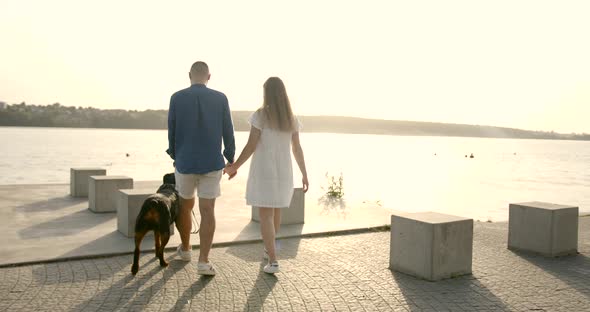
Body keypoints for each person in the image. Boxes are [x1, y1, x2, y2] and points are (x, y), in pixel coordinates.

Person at [224, 77, 308, 274]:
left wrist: (234, 166)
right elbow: (297, 148)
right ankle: (269, 250)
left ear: (266, 94)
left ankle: (273, 260)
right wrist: (304, 173)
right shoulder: (291, 118)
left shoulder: (261, 116)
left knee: (266, 216)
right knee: (275, 213)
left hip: (264, 171)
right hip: (284, 172)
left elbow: (251, 145)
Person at [167, 61, 235, 276]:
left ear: (189, 75)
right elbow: (228, 130)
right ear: (209, 76)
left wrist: (175, 155)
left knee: (185, 207)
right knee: (208, 211)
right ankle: (203, 262)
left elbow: (172, 130)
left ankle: (186, 249)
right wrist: (230, 157)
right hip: (211, 163)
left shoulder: (177, 97)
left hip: (185, 162)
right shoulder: (220, 98)